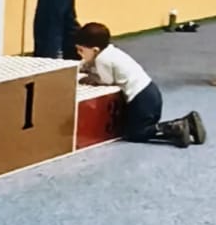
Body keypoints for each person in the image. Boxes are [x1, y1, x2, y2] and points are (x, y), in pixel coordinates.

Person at [76, 21, 206, 147]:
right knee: (142, 128)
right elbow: (91, 64)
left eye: (81, 50)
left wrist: (91, 78)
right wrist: (85, 66)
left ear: (95, 50)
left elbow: (107, 81)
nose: (79, 54)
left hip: (141, 99)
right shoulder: (111, 51)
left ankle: (174, 126)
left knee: (135, 134)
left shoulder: (102, 60)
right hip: (150, 92)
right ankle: (186, 125)